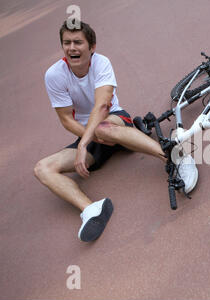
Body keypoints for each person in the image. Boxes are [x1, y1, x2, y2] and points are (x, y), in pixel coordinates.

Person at [34, 20, 198, 242]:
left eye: (78, 42)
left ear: (92, 47)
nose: (72, 47)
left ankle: (174, 157)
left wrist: (83, 144)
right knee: (43, 169)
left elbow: (102, 107)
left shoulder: (101, 63)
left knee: (102, 128)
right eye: (67, 43)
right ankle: (92, 210)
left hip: (114, 122)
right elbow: (65, 118)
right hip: (90, 135)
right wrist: (86, 139)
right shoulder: (54, 75)